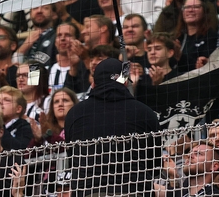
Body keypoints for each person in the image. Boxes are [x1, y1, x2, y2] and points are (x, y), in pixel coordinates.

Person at [64, 58, 162, 197]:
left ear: (93, 84)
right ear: (125, 82)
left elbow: (72, 157)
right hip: (134, 191)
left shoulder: (75, 113)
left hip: (87, 191)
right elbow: (154, 164)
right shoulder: (145, 112)